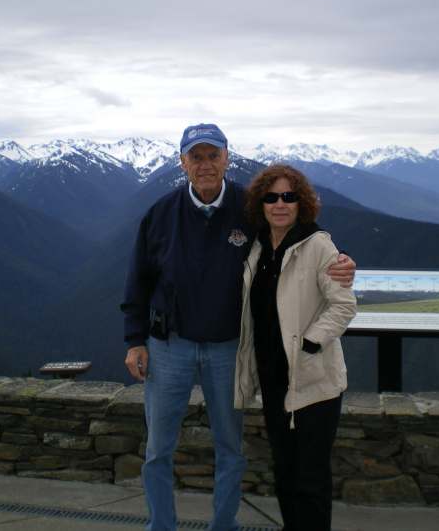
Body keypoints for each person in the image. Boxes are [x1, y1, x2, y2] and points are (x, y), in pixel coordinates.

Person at [121, 124, 355, 531]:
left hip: (228, 347)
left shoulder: (250, 207)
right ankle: (161, 526)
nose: (205, 165)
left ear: (227, 158)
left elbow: (294, 235)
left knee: (230, 447)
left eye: (213, 155)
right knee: (158, 448)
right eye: (196, 157)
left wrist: (341, 259)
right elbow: (138, 280)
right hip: (169, 345)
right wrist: (134, 339)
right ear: (182, 162)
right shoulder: (160, 214)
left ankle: (223, 524)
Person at [234, 164, 357, 531]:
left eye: (288, 196)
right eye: (271, 197)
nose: (280, 204)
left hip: (313, 379)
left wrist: (310, 343)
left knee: (311, 478)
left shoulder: (317, 245)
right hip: (274, 380)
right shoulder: (257, 247)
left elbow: (344, 305)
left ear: (301, 202)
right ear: (261, 204)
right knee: (285, 472)